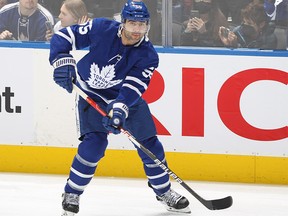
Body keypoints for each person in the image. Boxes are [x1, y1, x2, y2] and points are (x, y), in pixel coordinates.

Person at [48, 1, 190, 215]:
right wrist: (61, 59)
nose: (137, 31)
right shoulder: (101, 28)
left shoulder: (148, 55)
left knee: (150, 145)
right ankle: (72, 193)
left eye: (142, 25)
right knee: (94, 145)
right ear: (122, 22)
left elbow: (132, 89)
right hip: (91, 97)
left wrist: (119, 110)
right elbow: (63, 36)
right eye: (132, 24)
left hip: (127, 102)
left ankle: (164, 191)